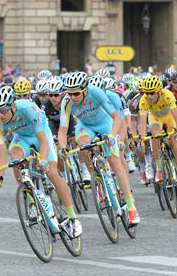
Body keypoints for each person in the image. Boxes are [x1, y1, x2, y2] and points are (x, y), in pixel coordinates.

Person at [0, 86, 82, 238]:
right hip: (22, 138)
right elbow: (0, 152)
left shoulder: (27, 108)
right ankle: (31, 199)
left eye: (4, 110)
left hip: (41, 134)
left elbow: (43, 141)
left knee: (51, 173)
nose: (0, 115)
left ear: (12, 106)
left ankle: (72, 217)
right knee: (15, 156)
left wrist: (43, 159)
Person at [58, 71, 140, 226]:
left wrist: (112, 135)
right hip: (85, 126)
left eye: (76, 93)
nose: (73, 97)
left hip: (105, 124)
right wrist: (62, 147)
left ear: (85, 90)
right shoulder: (67, 102)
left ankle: (131, 206)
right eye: (70, 93)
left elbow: (116, 117)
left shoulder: (95, 93)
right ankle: (97, 177)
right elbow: (62, 130)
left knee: (114, 161)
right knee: (82, 145)